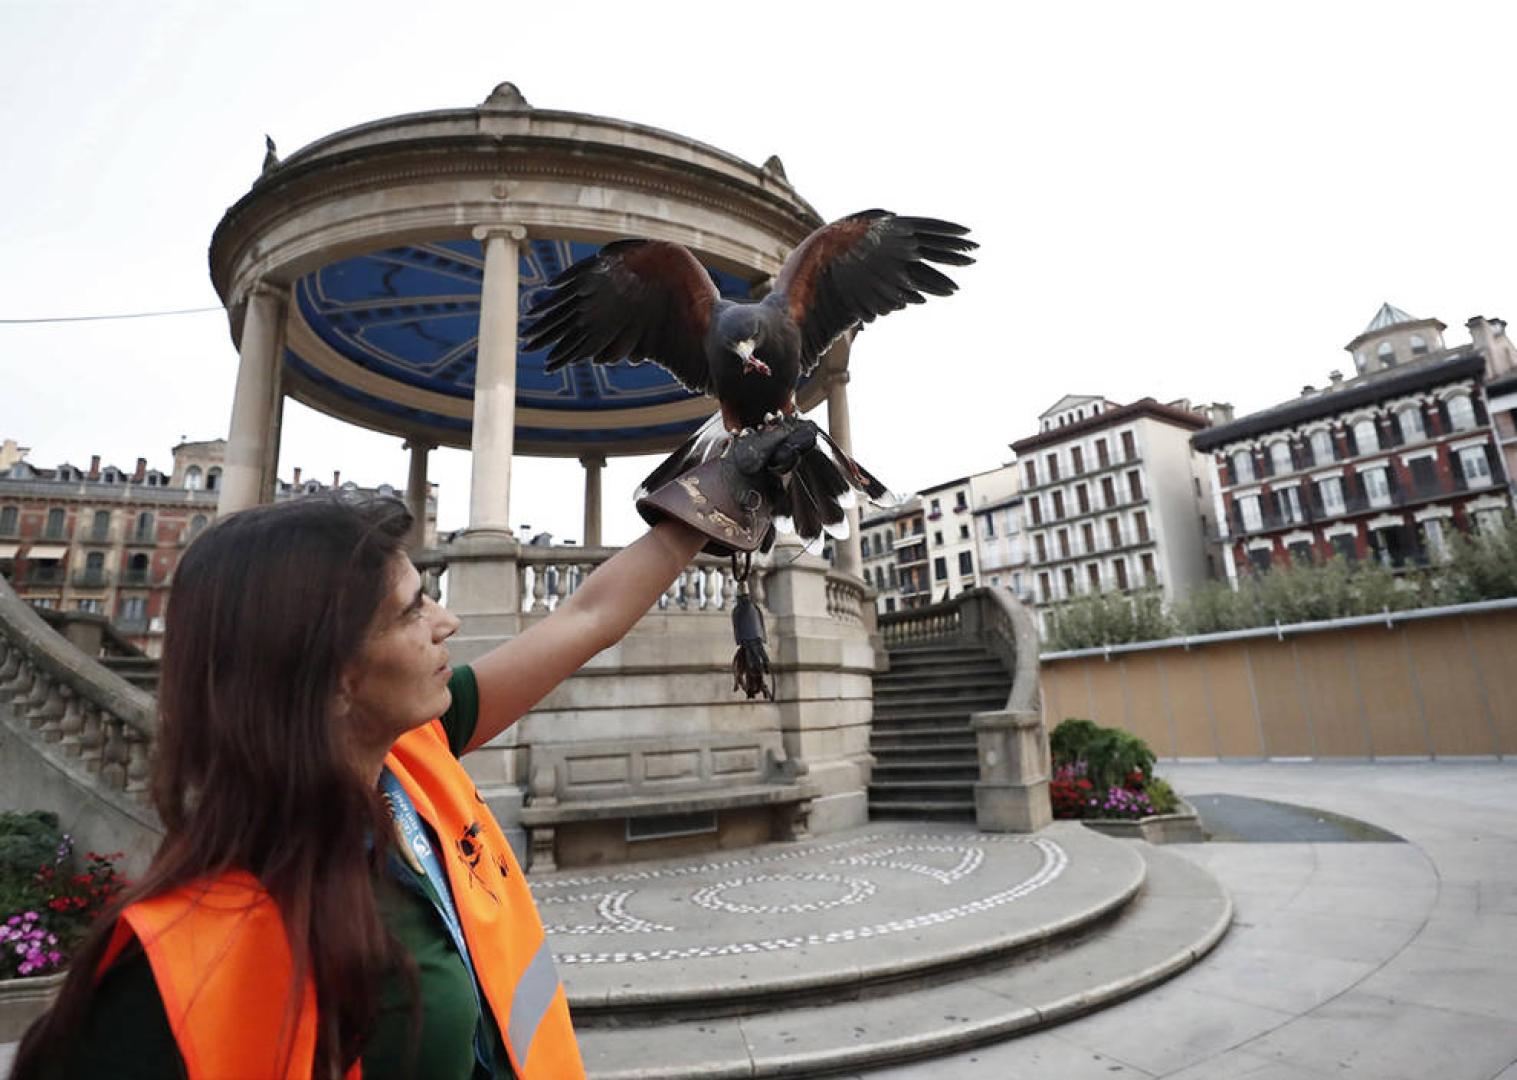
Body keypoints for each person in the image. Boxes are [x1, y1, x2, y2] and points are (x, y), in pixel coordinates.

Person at [7, 486, 725, 1079]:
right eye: (413, 609)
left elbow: (588, 617)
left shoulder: (415, 752)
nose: (448, 621)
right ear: (332, 675)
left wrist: (706, 503)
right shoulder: (174, 970)